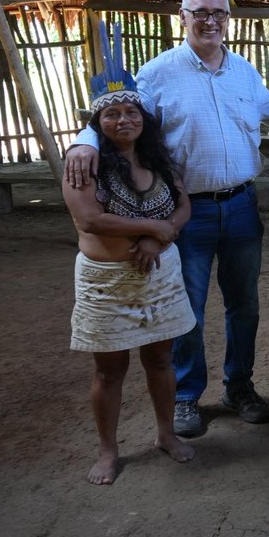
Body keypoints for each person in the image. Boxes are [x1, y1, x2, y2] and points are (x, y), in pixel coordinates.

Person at [65, 0, 269, 439]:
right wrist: (82, 142)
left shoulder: (244, 71)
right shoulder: (157, 73)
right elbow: (116, 115)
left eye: (219, 13)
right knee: (187, 307)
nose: (210, 21)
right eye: (200, 12)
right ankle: (187, 395)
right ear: (182, 18)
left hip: (243, 206)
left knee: (244, 304)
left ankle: (239, 387)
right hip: (191, 213)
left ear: (229, 19)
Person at [62, 25, 197, 484]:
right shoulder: (85, 162)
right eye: (113, 114)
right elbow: (90, 221)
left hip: (159, 271)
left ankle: (165, 433)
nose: (124, 120)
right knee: (110, 369)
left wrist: (160, 238)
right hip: (106, 280)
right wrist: (153, 227)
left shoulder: (159, 159)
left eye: (132, 112)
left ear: (145, 117)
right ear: (96, 124)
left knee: (160, 359)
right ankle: (107, 450)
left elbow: (182, 206)